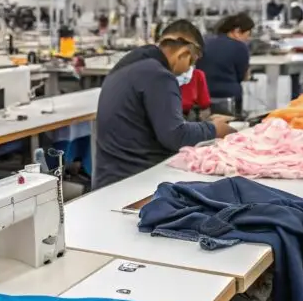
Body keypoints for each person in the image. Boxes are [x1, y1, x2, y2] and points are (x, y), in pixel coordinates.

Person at [94, 19, 234, 190]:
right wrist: (214, 128)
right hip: (135, 181)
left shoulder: (132, 65)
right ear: (183, 53)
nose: (188, 70)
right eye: (191, 62)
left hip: (112, 178)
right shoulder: (159, 76)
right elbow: (175, 136)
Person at [197, 13, 253, 114]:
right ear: (237, 31)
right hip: (229, 97)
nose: (248, 39)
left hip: (202, 95)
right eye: (247, 35)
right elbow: (241, 77)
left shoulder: (205, 43)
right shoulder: (240, 47)